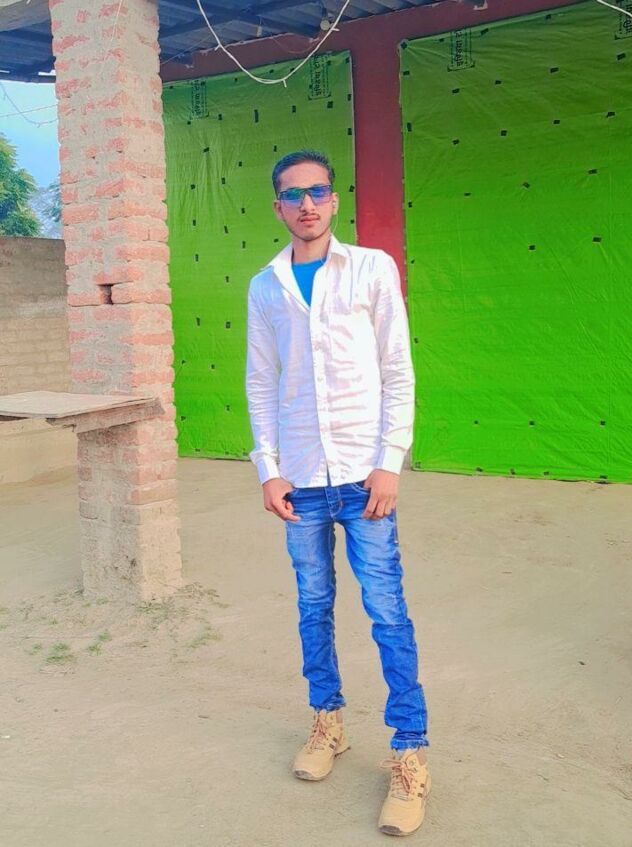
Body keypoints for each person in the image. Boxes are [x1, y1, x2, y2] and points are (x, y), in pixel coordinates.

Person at [245, 150, 430, 837]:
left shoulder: (371, 269)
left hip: (362, 476)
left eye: (318, 191)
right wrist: (268, 469)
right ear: (278, 207)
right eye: (293, 195)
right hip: (301, 478)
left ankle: (409, 753)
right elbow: (261, 380)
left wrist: (390, 462)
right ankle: (328, 722)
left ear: (334, 199)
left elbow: (397, 368)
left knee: (386, 611)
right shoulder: (266, 286)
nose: (307, 204)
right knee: (313, 605)